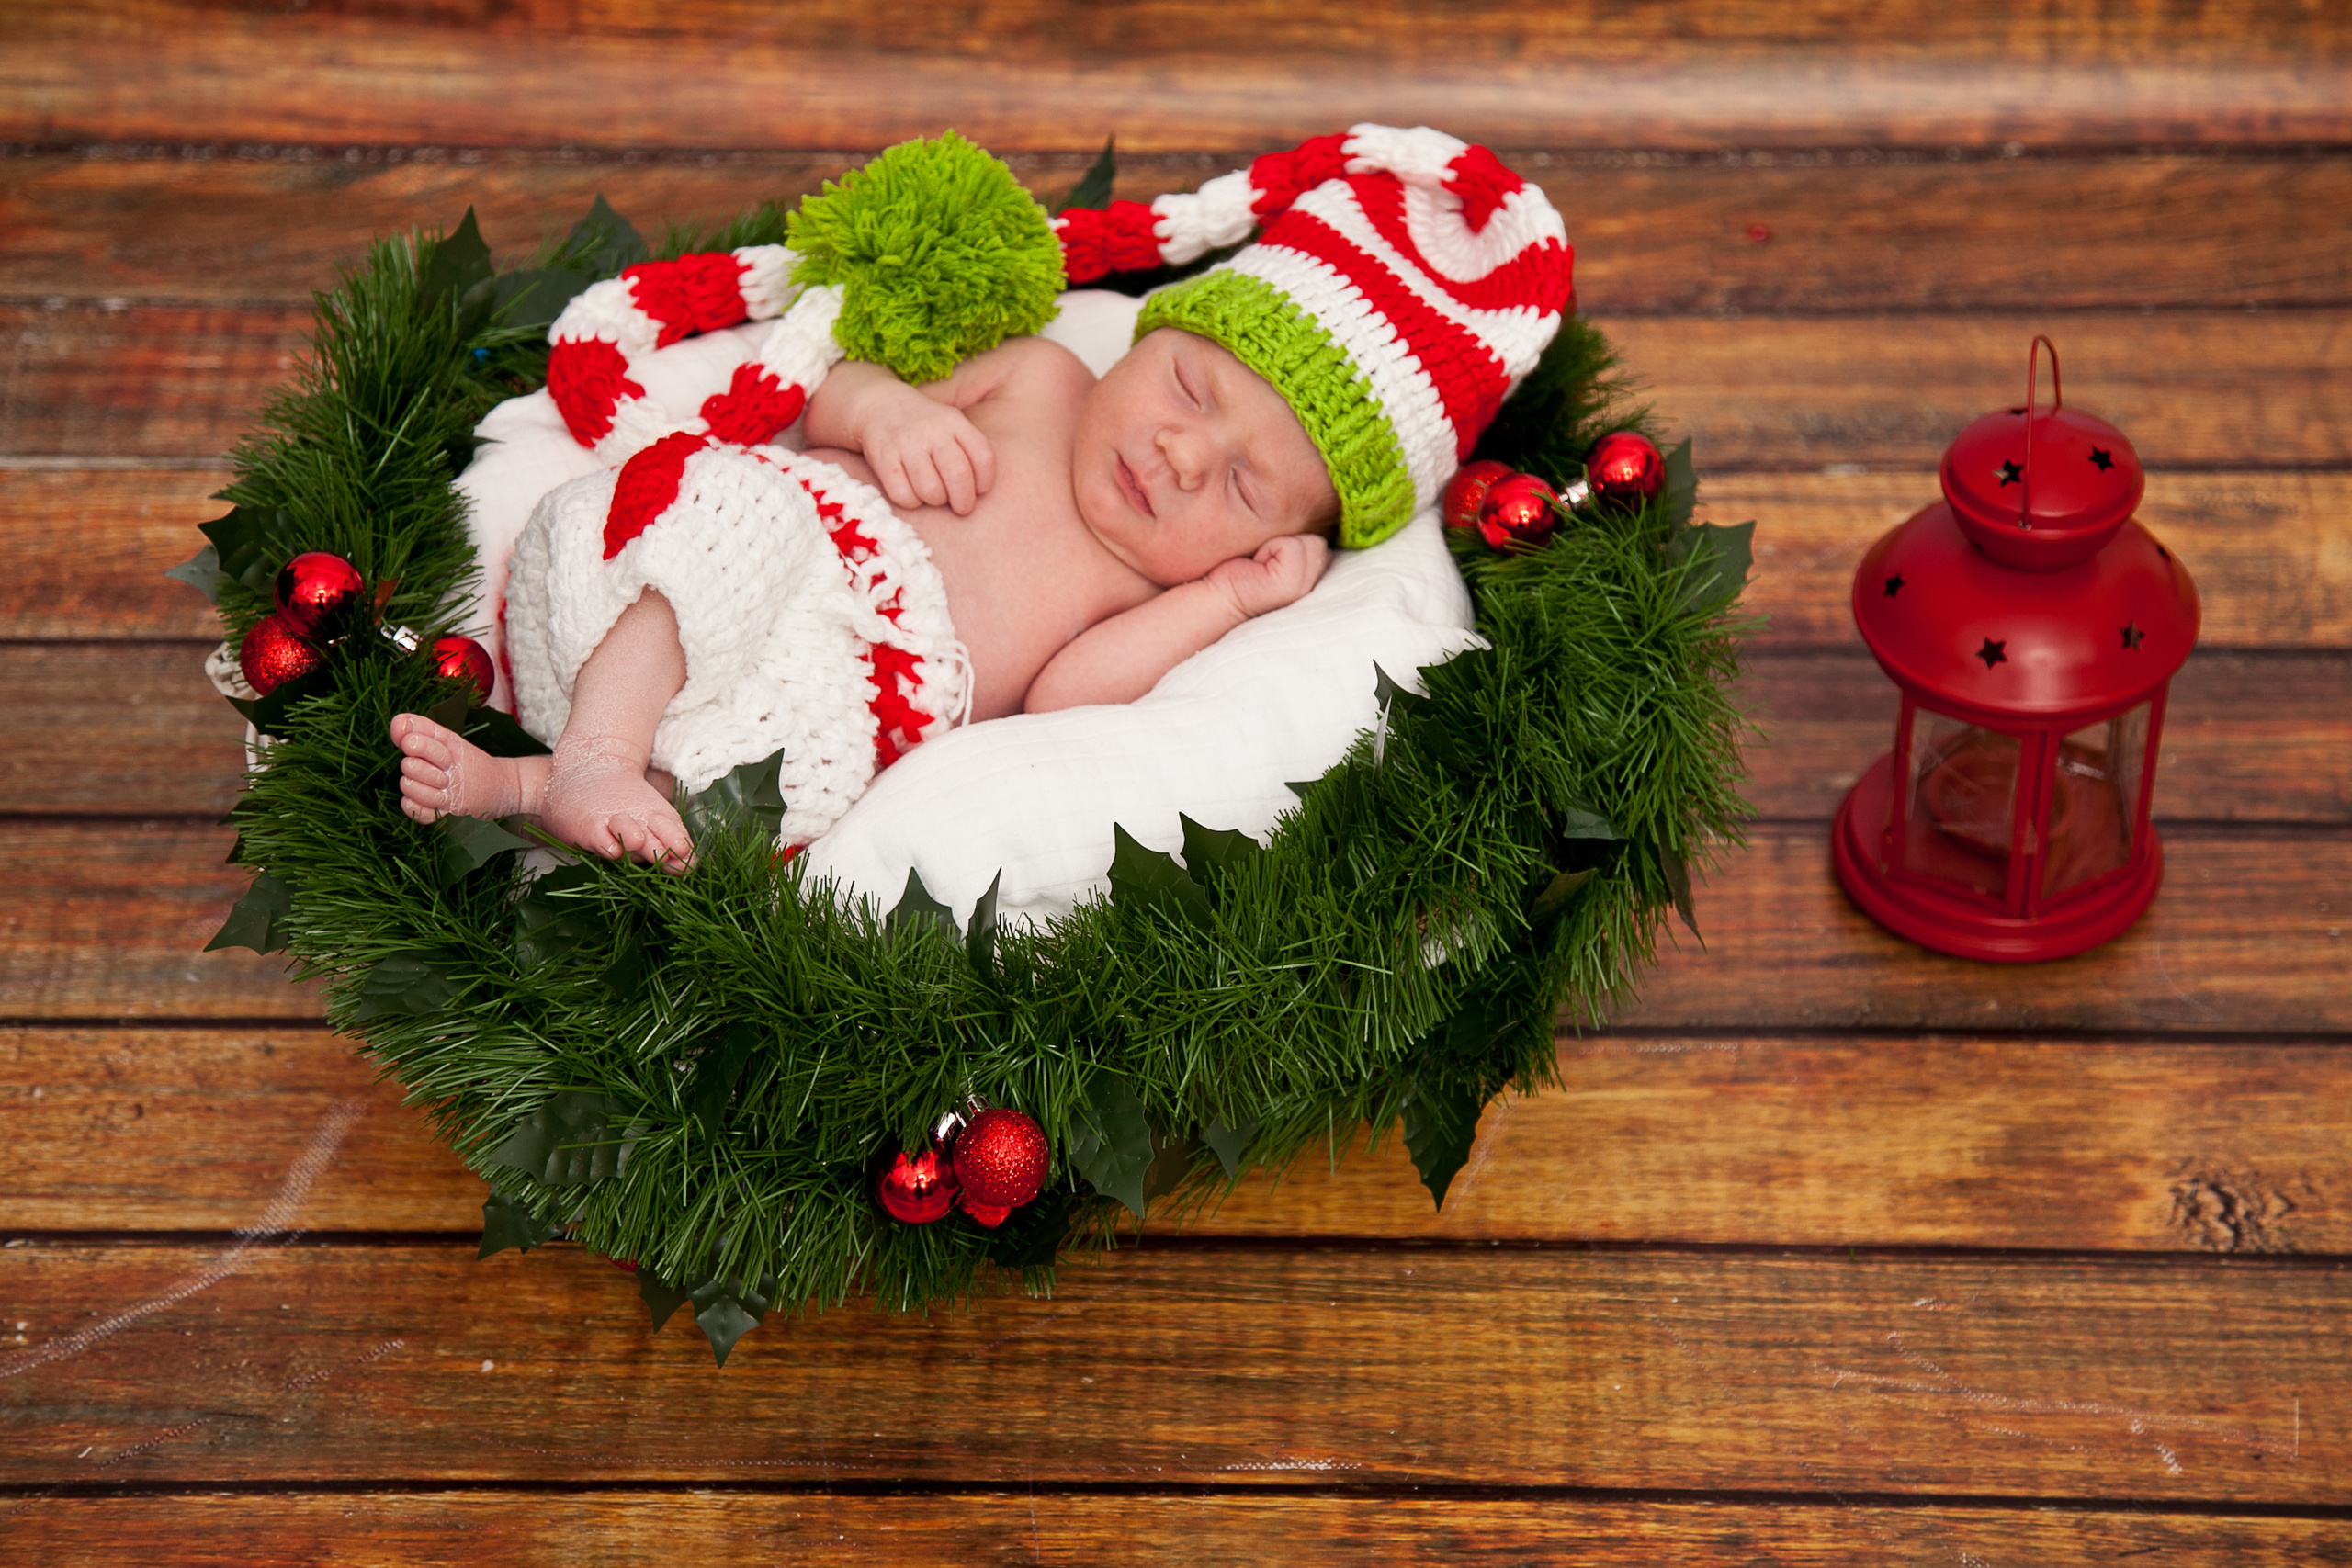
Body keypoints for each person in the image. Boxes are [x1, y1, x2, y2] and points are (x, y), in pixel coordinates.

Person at [390, 123, 1574, 870]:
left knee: (780, 809)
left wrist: (1222, 603)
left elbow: (1070, 695)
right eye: (1192, 389)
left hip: (843, 703)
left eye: (1246, 485)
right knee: (711, 525)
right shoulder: (1047, 375)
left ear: (1282, 536)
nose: (1179, 456)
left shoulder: (1141, 582)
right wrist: (890, 414)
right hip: (733, 560)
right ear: (1148, 340)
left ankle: (537, 788)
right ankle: (594, 747)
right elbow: (826, 388)